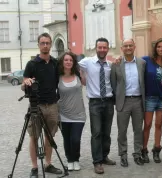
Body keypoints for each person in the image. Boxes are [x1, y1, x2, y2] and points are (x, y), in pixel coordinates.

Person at [21, 33, 62, 178]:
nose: (45, 45)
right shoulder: (31, 64)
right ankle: (34, 168)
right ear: (38, 45)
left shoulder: (55, 63)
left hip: (52, 106)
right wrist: (25, 83)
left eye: (47, 43)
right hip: (36, 106)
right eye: (42, 43)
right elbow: (24, 84)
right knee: (33, 136)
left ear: (51, 45)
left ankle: (48, 163)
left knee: (49, 136)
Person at [78, 37, 116, 174]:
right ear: (96, 48)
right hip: (94, 103)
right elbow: (70, 64)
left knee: (107, 132)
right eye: (100, 47)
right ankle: (97, 161)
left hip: (108, 102)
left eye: (104, 47)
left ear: (108, 49)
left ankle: (104, 156)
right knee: (97, 132)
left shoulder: (110, 65)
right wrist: (81, 76)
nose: (102, 50)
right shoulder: (87, 62)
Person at [110, 39, 145, 167]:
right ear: (122, 48)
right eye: (126, 46)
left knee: (138, 130)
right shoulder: (116, 64)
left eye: (130, 45)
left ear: (134, 47)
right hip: (123, 102)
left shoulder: (142, 63)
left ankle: (137, 154)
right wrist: (118, 98)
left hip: (137, 101)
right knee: (122, 131)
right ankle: (123, 155)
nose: (128, 47)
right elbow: (114, 84)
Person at [141, 38, 162, 163]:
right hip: (149, 98)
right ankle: (144, 150)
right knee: (147, 125)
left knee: (159, 125)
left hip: (161, 99)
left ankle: (156, 150)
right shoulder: (146, 60)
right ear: (155, 48)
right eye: (159, 47)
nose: (161, 49)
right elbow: (132, 62)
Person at [57, 52, 86, 171]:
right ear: (62, 62)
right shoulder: (57, 77)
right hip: (63, 115)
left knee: (75, 139)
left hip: (79, 114)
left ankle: (76, 159)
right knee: (67, 139)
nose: (68, 62)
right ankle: (70, 159)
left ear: (73, 62)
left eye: (70, 60)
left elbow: (85, 83)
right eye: (66, 60)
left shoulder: (78, 75)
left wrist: (82, 71)